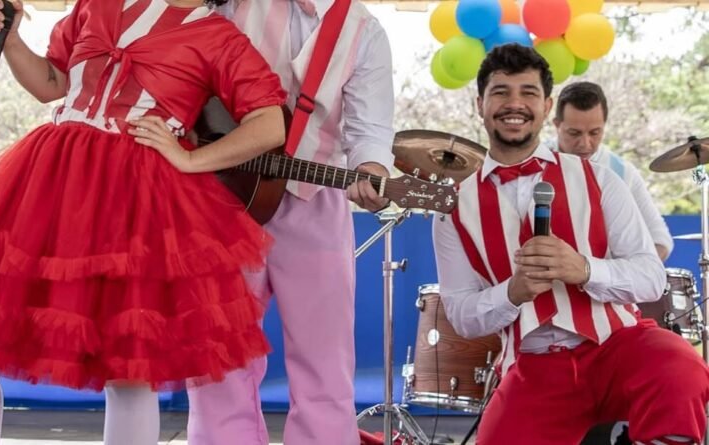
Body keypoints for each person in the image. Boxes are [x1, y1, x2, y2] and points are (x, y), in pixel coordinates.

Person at [0, 0, 287, 443]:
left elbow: (269, 124)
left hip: (134, 203)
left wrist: (191, 160)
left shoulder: (220, 38)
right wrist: (11, 42)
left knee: (128, 368)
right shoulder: (97, 4)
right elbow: (52, 84)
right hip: (47, 182)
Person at [432, 43, 709, 444]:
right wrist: (512, 292)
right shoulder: (452, 208)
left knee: (680, 365)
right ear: (480, 105)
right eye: (501, 92)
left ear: (547, 107)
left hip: (617, 346)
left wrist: (585, 269)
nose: (515, 103)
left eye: (528, 92)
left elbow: (651, 278)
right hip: (534, 366)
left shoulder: (601, 178)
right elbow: (461, 316)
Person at [185, 0, 395, 443]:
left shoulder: (363, 28)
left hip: (314, 198)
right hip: (221, 198)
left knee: (325, 360)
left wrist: (371, 168)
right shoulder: (223, 7)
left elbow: (370, 130)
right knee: (218, 359)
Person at [545, 81, 673, 261]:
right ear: (557, 124)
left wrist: (636, 271)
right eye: (574, 133)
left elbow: (660, 241)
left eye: (594, 133)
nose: (585, 143)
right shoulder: (534, 162)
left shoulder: (623, 172)